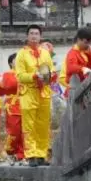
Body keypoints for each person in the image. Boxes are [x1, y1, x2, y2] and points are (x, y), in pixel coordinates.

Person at [15, 25, 56, 167]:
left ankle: (41, 155)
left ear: (40, 36)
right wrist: (34, 76)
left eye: (36, 33)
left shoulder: (45, 53)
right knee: (29, 125)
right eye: (31, 33)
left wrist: (51, 75)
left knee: (43, 125)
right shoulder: (21, 54)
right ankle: (31, 154)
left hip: (44, 92)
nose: (34, 36)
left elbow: (50, 71)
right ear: (27, 36)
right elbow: (20, 76)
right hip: (29, 92)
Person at [61, 27, 91, 96]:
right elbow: (71, 68)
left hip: (86, 87)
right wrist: (82, 68)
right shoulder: (72, 53)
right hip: (75, 89)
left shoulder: (88, 52)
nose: (87, 45)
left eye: (90, 43)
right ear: (78, 39)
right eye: (86, 42)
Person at [4, 53, 24, 164]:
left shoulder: (25, 73)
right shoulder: (7, 74)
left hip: (25, 104)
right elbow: (9, 86)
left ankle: (21, 155)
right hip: (13, 104)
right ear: (11, 63)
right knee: (14, 131)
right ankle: (10, 152)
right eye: (17, 60)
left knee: (24, 132)